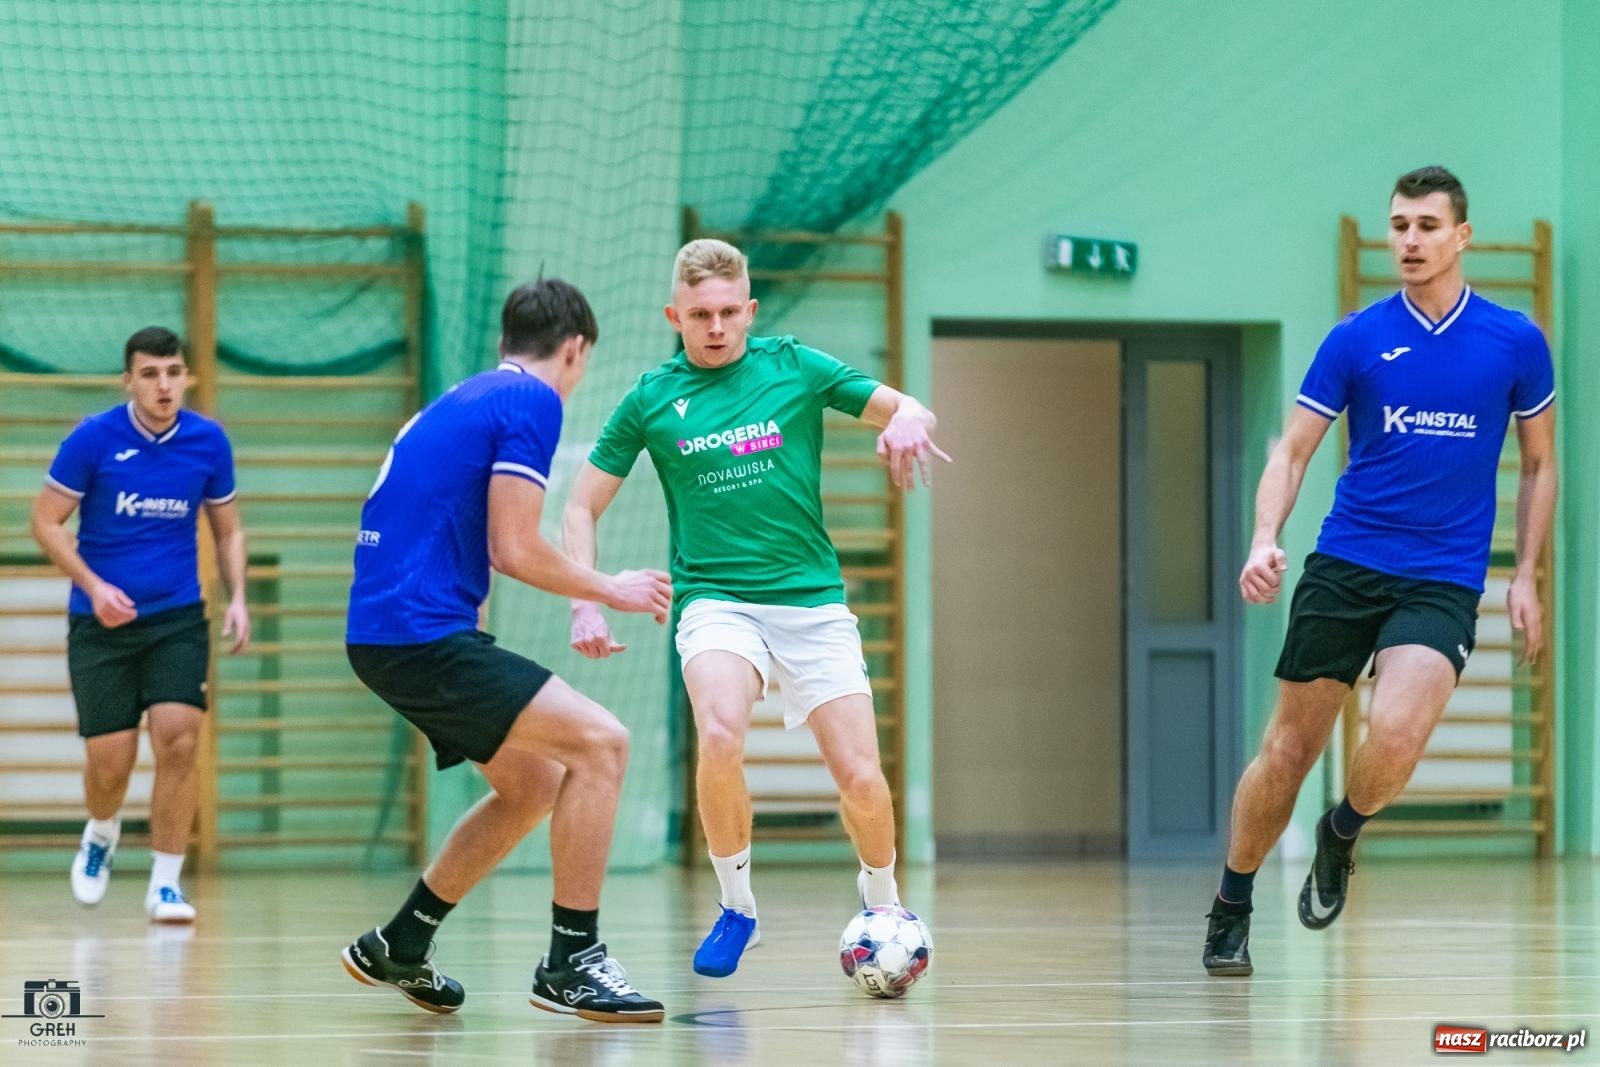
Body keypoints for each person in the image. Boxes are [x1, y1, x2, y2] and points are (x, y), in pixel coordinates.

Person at [561, 238, 951, 979]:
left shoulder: (795, 366)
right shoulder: (651, 399)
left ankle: (883, 900)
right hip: (716, 601)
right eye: (699, 314)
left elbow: (909, 406)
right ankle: (738, 905)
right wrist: (588, 599)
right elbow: (580, 504)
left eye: (728, 312)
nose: (715, 327)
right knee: (719, 732)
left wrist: (906, 418)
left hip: (810, 602)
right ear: (675, 315)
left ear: (750, 311)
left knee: (861, 777)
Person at [1203, 166, 1558, 976]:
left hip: (1442, 575)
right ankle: (1232, 900)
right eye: (1399, 225)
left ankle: (1341, 833)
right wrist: (1264, 537)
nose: (1409, 240)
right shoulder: (1356, 338)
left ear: (1461, 236)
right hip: (1347, 563)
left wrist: (1526, 573)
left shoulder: (1514, 342)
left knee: (1398, 730)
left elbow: (1540, 465)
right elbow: (1292, 450)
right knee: (1288, 750)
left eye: (1427, 226)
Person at [339, 279, 672, 1023]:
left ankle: (402, 940)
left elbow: (467, 537)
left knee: (535, 783)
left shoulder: (466, 396)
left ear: (505, 341)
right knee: (603, 745)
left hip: (393, 631)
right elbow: (514, 546)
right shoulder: (532, 402)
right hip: (418, 634)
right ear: (575, 349)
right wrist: (610, 587)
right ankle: (572, 961)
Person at [31, 326, 251, 924]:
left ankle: (166, 882)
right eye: (151, 374)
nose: (164, 385)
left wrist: (238, 598)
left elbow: (228, 528)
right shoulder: (93, 439)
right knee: (111, 762)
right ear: (129, 379)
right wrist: (94, 587)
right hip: (100, 623)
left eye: (174, 372)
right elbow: (46, 521)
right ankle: (101, 832)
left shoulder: (208, 442)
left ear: (187, 377)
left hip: (177, 616)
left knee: (179, 737)